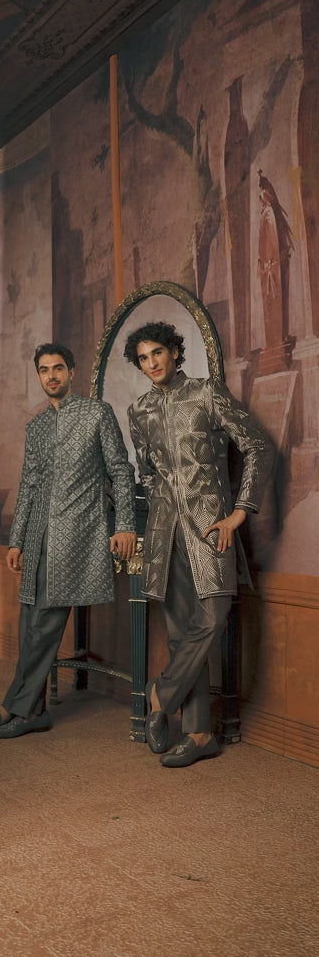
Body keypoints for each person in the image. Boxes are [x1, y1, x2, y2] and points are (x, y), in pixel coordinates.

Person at [0, 342, 137, 739]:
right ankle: (33, 710)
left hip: (78, 535)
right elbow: (29, 484)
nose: (51, 376)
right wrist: (17, 541)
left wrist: (125, 524)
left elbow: (120, 470)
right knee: (30, 622)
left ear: (72, 371)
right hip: (39, 534)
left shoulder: (96, 413)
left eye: (58, 368)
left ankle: (13, 708)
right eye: (44, 370)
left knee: (43, 624)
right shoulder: (37, 426)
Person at [124, 321, 273, 767]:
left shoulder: (207, 393)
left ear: (174, 352)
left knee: (212, 616)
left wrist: (239, 512)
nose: (152, 363)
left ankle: (159, 695)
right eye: (143, 358)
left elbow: (258, 446)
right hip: (164, 532)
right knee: (180, 632)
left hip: (211, 528)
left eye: (157, 353)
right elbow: (147, 474)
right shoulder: (139, 411)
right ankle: (200, 733)